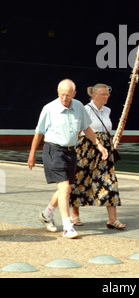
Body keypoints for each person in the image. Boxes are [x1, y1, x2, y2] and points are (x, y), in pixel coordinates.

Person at [28, 79, 108, 239]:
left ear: (74, 94)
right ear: (58, 93)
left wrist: (98, 144)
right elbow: (39, 133)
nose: (65, 98)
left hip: (71, 151)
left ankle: (46, 215)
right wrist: (32, 155)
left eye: (68, 95)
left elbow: (86, 128)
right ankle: (67, 226)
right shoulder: (49, 108)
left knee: (66, 189)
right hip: (53, 150)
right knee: (64, 188)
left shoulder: (78, 106)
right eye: (62, 95)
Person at [70, 83, 126, 230]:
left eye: (107, 94)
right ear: (94, 95)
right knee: (79, 179)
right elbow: (79, 129)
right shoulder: (85, 110)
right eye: (103, 94)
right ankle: (74, 215)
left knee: (110, 181)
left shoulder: (107, 110)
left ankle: (112, 219)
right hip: (86, 148)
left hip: (104, 151)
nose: (106, 97)